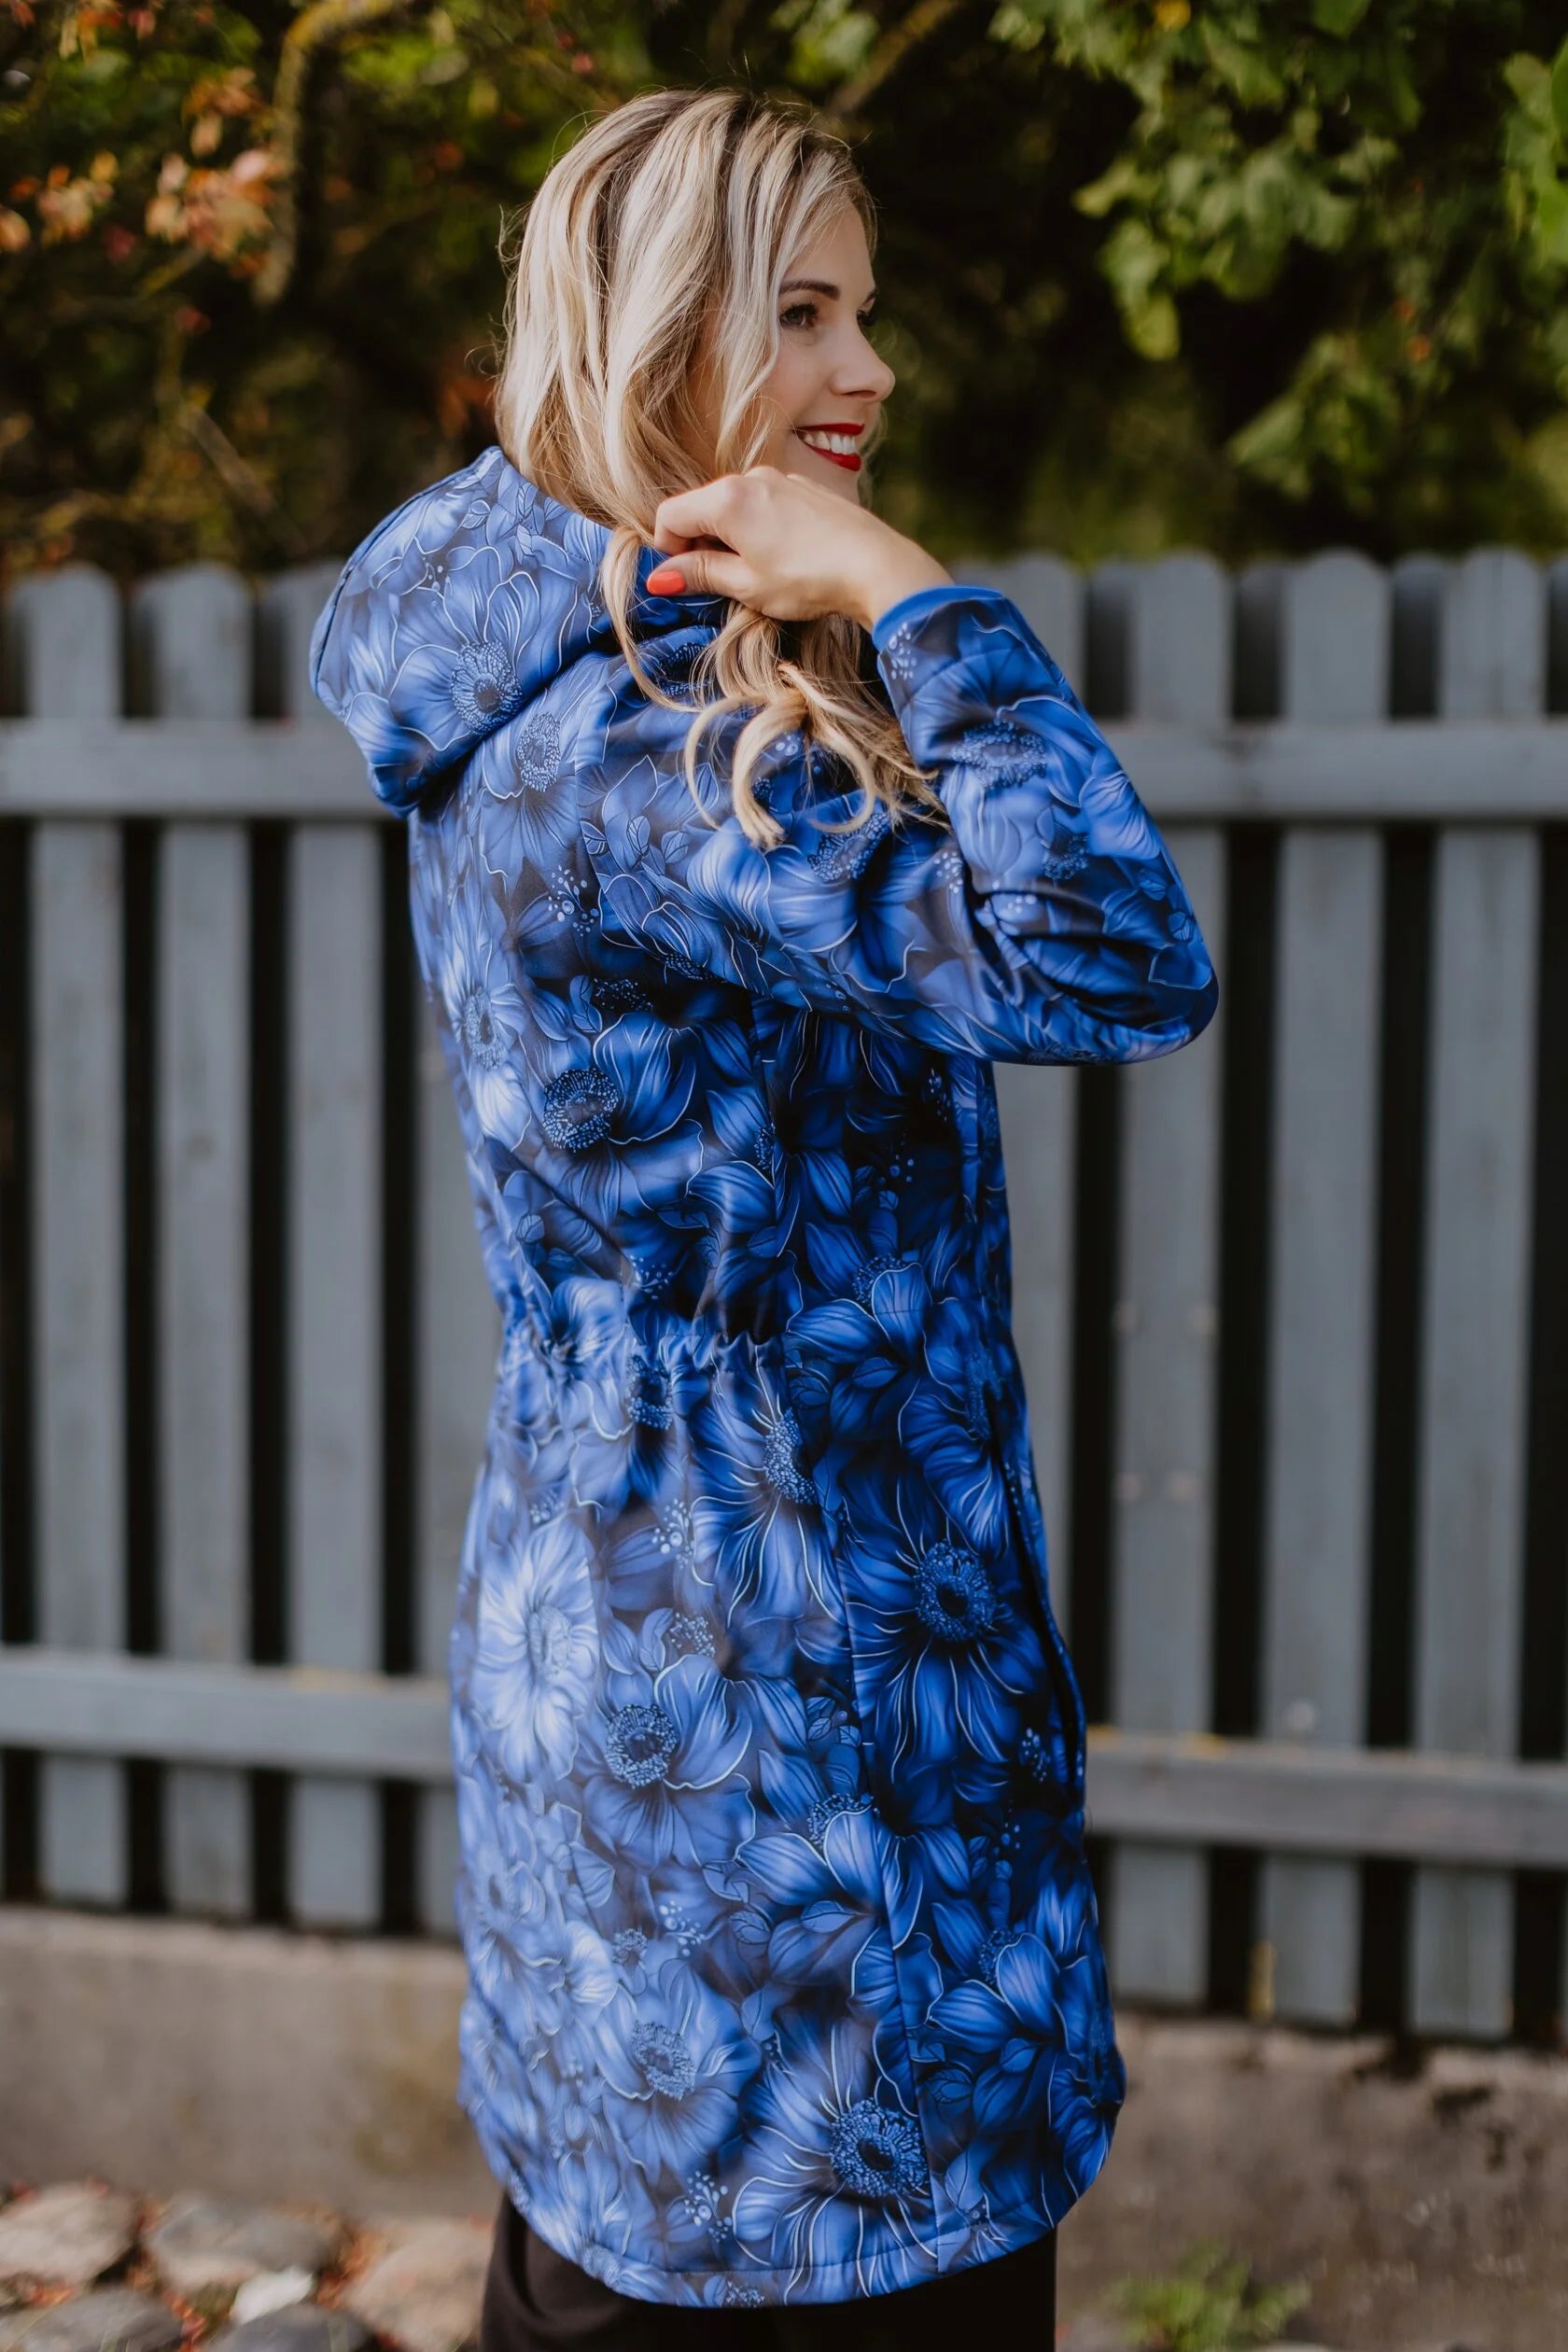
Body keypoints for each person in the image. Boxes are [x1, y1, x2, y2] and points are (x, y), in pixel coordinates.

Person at [310, 85, 1218, 2350]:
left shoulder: (552, 664)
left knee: (616, 2239)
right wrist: (915, 595)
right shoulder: (643, 764)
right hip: (785, 1690)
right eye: (802, 312)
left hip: (642, 1619)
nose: (867, 369)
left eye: (865, 313)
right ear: (658, 333)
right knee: (823, 2260)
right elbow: (1115, 955)